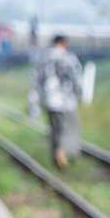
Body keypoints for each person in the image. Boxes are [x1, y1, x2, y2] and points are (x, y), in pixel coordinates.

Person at [28, 34, 84, 169]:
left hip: (51, 100)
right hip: (68, 101)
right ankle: (66, 153)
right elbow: (77, 79)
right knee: (69, 127)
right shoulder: (70, 58)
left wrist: (33, 104)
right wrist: (80, 94)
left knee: (55, 129)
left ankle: (58, 154)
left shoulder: (43, 58)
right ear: (64, 43)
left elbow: (35, 82)